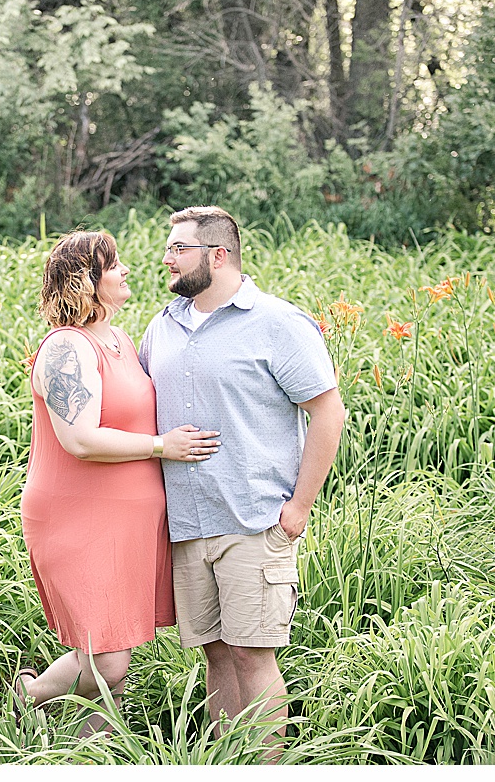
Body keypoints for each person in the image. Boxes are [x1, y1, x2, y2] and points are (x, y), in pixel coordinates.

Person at [139, 206, 347, 748]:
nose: (166, 259)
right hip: (186, 520)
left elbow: (328, 413)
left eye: (178, 248)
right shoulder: (163, 325)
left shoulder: (278, 323)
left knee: (253, 653)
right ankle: (226, 760)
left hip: (254, 518)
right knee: (215, 650)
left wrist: (297, 509)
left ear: (218, 255)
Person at [15, 230, 221, 732]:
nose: (126, 269)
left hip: (128, 521)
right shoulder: (68, 347)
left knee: (112, 653)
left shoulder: (120, 339)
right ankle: (33, 694)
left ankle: (97, 752)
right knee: (108, 659)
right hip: (77, 516)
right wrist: (161, 446)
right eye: (114, 265)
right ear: (85, 281)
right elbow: (80, 438)